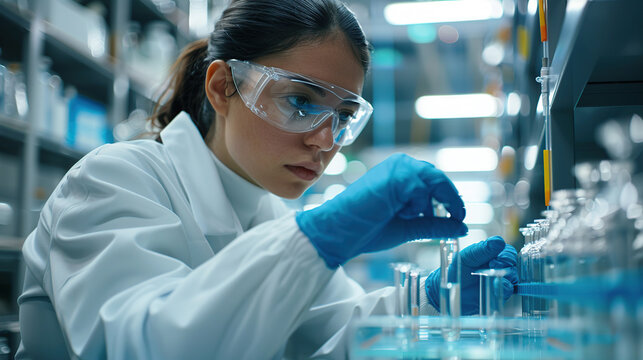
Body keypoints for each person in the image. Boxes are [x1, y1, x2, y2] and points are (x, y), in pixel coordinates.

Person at [17, 0, 518, 358]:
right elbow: (143, 346)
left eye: (343, 116)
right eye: (300, 102)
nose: (326, 141)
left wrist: (428, 299)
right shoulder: (114, 179)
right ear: (221, 88)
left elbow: (330, 335)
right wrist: (321, 235)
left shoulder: (267, 211)